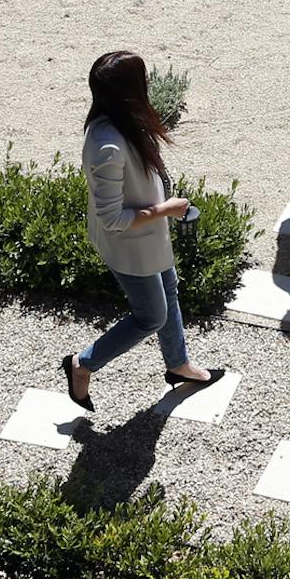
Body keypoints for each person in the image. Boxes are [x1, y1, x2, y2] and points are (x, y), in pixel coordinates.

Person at [62, 50, 223, 411]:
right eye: (141, 81)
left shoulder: (120, 121)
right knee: (151, 316)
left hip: (148, 239)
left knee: (169, 288)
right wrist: (167, 209)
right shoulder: (107, 145)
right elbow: (113, 218)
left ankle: (178, 363)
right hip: (130, 247)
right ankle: (82, 365)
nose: (148, 86)